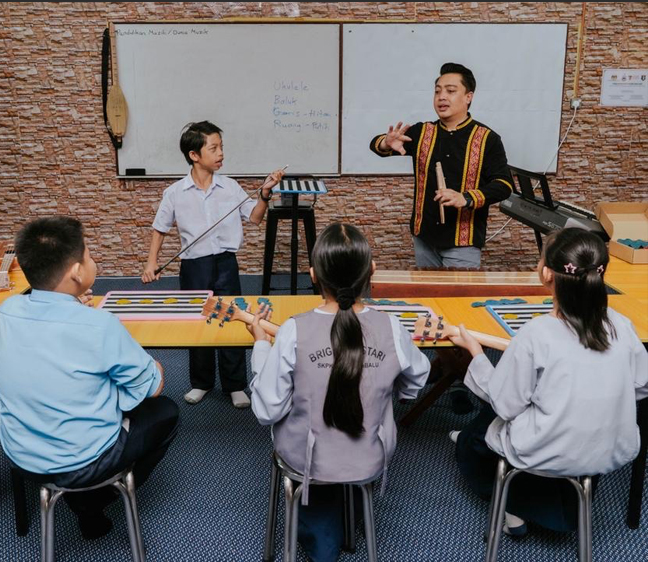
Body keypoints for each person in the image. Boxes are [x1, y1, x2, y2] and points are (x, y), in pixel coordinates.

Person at [248, 223, 430, 562]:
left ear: (313, 275)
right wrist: (391, 390)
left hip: (308, 461)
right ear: (371, 271)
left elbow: (266, 410)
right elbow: (417, 380)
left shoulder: (293, 331)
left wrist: (261, 346)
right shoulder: (391, 326)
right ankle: (347, 517)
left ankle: (319, 534)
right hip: (370, 456)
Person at [0, 216, 179, 540]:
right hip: (83, 458)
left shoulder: (6, 311)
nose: (93, 260)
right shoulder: (98, 324)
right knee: (166, 411)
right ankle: (91, 501)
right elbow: (153, 386)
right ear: (77, 272)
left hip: (21, 453)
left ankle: (85, 500)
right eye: (88, 255)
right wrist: (150, 372)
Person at [450, 228, 648, 535]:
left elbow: (505, 402)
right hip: (610, 448)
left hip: (544, 450)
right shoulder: (623, 326)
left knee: (491, 418)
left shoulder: (535, 334)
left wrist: (476, 353)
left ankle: (512, 504)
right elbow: (641, 385)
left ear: (545, 274)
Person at [142, 120, 285, 408]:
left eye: (221, 147)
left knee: (232, 318)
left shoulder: (230, 187)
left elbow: (255, 217)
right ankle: (202, 383)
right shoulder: (175, 192)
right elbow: (160, 228)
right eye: (214, 148)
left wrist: (265, 192)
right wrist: (151, 263)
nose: (220, 153)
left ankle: (235, 385)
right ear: (195, 155)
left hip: (225, 263)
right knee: (199, 321)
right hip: (193, 266)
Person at [369, 62, 514, 269]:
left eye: (451, 91)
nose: (442, 97)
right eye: (437, 91)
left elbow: (504, 184)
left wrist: (465, 197)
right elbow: (376, 145)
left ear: (468, 97)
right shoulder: (422, 132)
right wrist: (386, 142)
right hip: (424, 238)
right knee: (427, 298)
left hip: (463, 242)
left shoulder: (486, 138)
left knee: (459, 300)